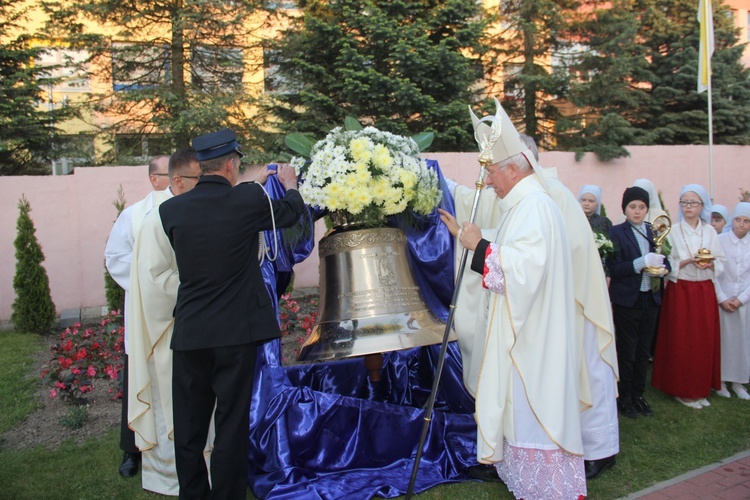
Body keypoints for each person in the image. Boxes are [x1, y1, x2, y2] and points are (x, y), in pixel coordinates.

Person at [439, 99, 585, 499]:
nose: (487, 181)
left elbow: (525, 272)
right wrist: (467, 241)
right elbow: (510, 261)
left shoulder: (535, 207)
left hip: (532, 342)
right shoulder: (521, 205)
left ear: (514, 169)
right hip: (525, 334)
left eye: (491, 171)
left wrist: (479, 244)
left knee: (530, 419)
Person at [158, 128, 305, 498]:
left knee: (189, 426)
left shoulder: (170, 210)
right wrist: (289, 183)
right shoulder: (248, 200)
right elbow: (288, 214)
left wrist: (247, 187)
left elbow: (217, 215)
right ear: (229, 165)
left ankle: (193, 494)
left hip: (191, 333)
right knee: (230, 423)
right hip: (235, 333)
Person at [126, 148, 204, 495]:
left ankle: (206, 469)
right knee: (171, 401)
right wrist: (199, 288)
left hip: (197, 322)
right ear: (177, 180)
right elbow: (155, 277)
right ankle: (168, 476)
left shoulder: (193, 209)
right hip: (167, 326)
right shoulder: (155, 218)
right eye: (198, 180)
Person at [104, 154, 171, 478]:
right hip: (145, 311)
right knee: (139, 377)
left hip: (177, 309)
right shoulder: (132, 216)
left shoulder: (189, 210)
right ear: (153, 179)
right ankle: (133, 451)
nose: (177, 180)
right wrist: (150, 280)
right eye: (168, 174)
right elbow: (116, 257)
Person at [652, 184, 725, 409]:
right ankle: (681, 389)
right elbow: (666, 262)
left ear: (702, 206)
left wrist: (709, 263)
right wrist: (686, 261)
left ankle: (700, 388)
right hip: (681, 290)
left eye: (693, 202)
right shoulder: (672, 230)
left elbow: (721, 261)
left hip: (704, 290)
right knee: (681, 339)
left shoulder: (710, 231)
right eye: (684, 202)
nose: (688, 207)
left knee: (703, 340)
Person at [606, 187, 669, 421]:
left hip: (649, 298)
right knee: (628, 350)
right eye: (633, 207)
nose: (637, 211)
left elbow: (665, 260)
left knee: (644, 350)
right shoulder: (617, 233)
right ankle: (624, 397)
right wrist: (642, 262)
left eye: (642, 207)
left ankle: (638, 393)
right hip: (627, 301)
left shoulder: (653, 232)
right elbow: (615, 268)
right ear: (625, 209)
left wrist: (662, 267)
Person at [714, 202, 750, 399]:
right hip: (723, 298)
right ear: (732, 220)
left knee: (743, 341)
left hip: (744, 301)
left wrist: (742, 299)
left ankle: (739, 381)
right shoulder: (720, 240)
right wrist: (722, 298)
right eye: (738, 220)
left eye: (746, 221)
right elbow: (714, 273)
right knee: (724, 340)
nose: (742, 225)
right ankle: (720, 381)